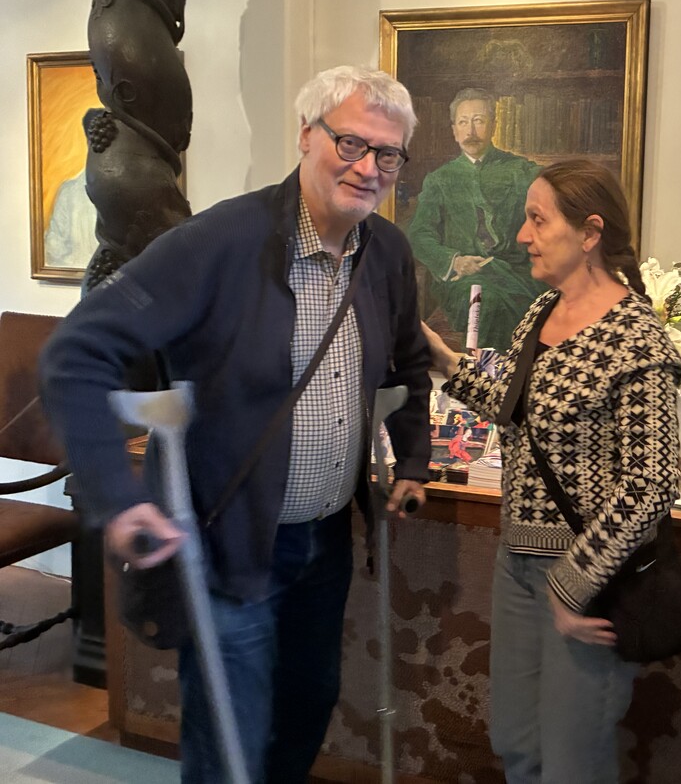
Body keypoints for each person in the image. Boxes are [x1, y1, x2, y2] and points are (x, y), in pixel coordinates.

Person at [39, 65, 433, 783]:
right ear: (307, 135)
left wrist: (411, 461)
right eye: (350, 143)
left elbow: (408, 364)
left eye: (388, 154)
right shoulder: (220, 241)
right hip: (231, 543)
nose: (368, 168)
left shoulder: (386, 253)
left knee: (307, 707)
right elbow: (77, 352)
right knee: (230, 738)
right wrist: (117, 498)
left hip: (325, 544)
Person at [423, 159, 681, 782]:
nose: (523, 235)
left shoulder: (637, 339)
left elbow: (651, 482)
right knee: (518, 744)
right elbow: (515, 406)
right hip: (516, 565)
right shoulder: (542, 311)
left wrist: (573, 582)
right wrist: (441, 357)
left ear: (590, 232)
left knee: (573, 762)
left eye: (537, 220)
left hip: (587, 583)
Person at [407, 87, 547, 351]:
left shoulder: (521, 170)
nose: (470, 131)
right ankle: (486, 374)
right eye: (463, 122)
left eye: (479, 121)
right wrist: (455, 261)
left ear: (493, 125)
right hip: (464, 279)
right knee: (486, 302)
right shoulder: (439, 179)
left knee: (544, 301)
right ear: (454, 131)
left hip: (516, 272)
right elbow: (419, 234)